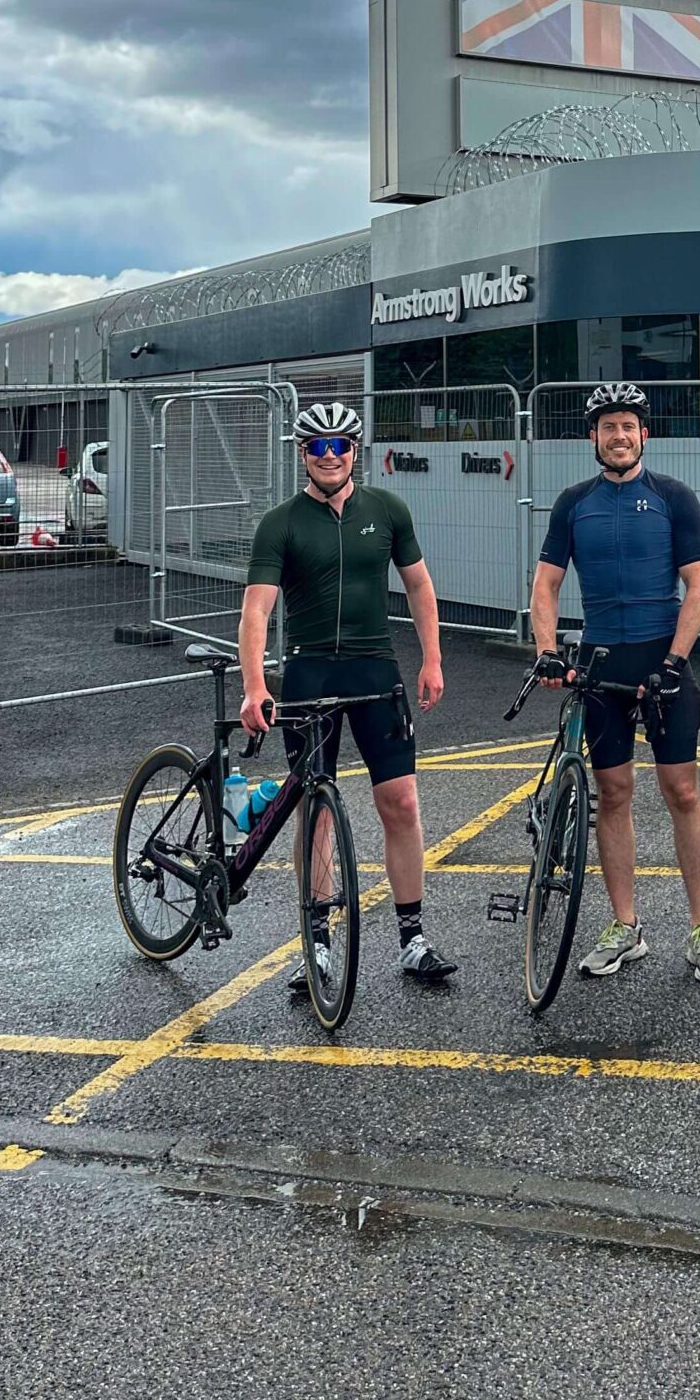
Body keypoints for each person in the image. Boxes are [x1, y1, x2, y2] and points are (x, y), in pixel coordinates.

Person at [239, 400, 456, 994]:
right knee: (316, 812)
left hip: (375, 673)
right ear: (302, 455)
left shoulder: (386, 509)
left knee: (402, 804)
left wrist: (433, 659)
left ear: (355, 450)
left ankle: (411, 938)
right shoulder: (280, 522)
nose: (330, 456)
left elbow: (419, 584)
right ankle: (319, 944)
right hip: (309, 676)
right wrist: (255, 684)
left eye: (340, 446)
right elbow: (257, 609)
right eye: (317, 447)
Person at [530, 381, 700, 985]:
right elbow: (545, 585)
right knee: (612, 794)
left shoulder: (674, 497)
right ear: (592, 436)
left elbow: (699, 584)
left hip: (661, 658)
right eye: (608, 426)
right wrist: (545, 650)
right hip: (600, 663)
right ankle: (626, 926)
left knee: (683, 792)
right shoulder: (573, 503)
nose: (619, 436)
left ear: (645, 434)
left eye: (629, 426)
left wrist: (674, 661)